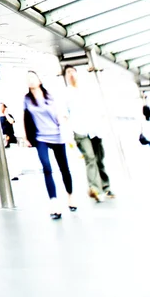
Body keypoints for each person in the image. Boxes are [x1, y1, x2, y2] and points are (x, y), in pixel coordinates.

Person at [23, 71, 75, 220]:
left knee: (64, 168)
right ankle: (54, 203)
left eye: (33, 77)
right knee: (47, 168)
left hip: (57, 135)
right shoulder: (27, 99)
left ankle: (70, 196)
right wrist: (27, 137)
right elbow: (26, 118)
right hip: (41, 138)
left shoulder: (51, 96)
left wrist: (66, 130)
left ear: (40, 80)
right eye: (28, 79)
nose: (31, 81)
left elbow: (60, 115)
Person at [63, 65, 114, 202]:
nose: (71, 74)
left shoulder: (87, 90)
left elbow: (98, 108)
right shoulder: (66, 94)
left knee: (99, 158)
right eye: (68, 73)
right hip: (80, 131)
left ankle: (105, 186)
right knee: (90, 158)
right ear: (65, 77)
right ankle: (95, 189)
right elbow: (64, 115)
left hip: (95, 129)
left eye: (72, 71)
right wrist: (69, 133)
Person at [0, 103, 20, 181]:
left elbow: (12, 121)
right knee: (5, 158)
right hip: (3, 140)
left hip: (11, 140)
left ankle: (13, 174)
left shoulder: (8, 116)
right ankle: (6, 174)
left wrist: (6, 113)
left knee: (12, 158)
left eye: (2, 107)